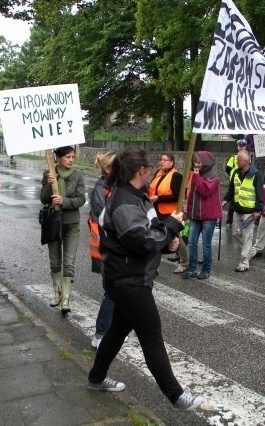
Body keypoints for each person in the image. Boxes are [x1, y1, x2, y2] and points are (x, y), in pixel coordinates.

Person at [87, 147, 203, 411]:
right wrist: (173, 225)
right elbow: (141, 241)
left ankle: (96, 377)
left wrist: (166, 244)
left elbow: (146, 235)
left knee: (117, 331)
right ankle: (176, 396)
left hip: (126, 275)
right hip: (128, 279)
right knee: (151, 335)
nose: (152, 169)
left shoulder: (134, 196)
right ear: (142, 170)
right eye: (149, 166)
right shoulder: (125, 200)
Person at [40, 146, 86, 314]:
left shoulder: (77, 176)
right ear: (58, 158)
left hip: (71, 223)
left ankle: (66, 298)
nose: (71, 160)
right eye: (67, 157)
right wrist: (49, 185)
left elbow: (81, 199)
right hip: (53, 222)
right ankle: (57, 293)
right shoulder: (49, 174)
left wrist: (64, 200)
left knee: (69, 262)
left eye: (72, 157)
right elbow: (43, 199)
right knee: (55, 261)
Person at [88, 151, 116, 349]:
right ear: (107, 168)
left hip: (114, 248)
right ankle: (100, 334)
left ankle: (110, 331)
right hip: (105, 249)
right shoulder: (101, 189)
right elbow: (105, 217)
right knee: (111, 293)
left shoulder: (115, 186)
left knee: (117, 293)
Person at [222, 150, 263, 272]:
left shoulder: (256, 174)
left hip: (249, 211)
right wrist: (226, 200)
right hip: (236, 209)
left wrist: (258, 209)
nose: (236, 161)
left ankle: (244, 262)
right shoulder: (235, 172)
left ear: (245, 161)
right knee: (236, 234)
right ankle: (251, 251)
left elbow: (259, 193)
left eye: (238, 159)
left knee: (247, 237)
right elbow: (231, 188)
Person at [182, 150, 221, 279]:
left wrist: (197, 177)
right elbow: (191, 195)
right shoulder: (194, 174)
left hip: (208, 216)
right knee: (192, 243)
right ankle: (192, 269)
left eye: (199, 162)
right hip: (195, 215)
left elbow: (204, 191)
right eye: (195, 162)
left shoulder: (213, 176)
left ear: (205, 162)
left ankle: (206, 270)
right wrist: (187, 210)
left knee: (206, 245)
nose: (196, 165)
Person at [149, 153, 189, 274]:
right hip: (156, 211)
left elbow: (178, 196)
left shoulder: (176, 176)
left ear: (172, 162)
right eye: (161, 159)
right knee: (156, 237)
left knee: (176, 238)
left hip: (170, 213)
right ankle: (154, 266)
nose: (162, 162)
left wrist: (158, 198)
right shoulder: (158, 173)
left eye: (165, 160)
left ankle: (184, 263)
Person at [224, 139, 249, 229]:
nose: (241, 148)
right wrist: (233, 174)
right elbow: (227, 168)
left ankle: (242, 220)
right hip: (235, 182)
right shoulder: (233, 157)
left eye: (243, 146)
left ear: (245, 147)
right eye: (240, 146)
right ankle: (229, 221)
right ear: (238, 147)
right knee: (233, 202)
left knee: (243, 200)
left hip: (245, 181)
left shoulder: (248, 157)